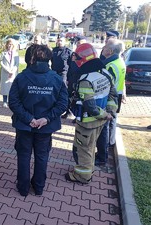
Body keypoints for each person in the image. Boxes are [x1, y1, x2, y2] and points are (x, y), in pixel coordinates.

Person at [9, 44, 68, 196]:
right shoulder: (56, 79)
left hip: (25, 125)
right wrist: (46, 119)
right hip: (44, 127)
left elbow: (13, 102)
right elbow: (62, 104)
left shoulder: (21, 77)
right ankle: (39, 187)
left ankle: (23, 188)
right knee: (42, 156)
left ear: (31, 58)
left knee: (24, 155)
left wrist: (29, 119)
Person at [65, 43, 118, 184]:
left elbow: (89, 105)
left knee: (83, 149)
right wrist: (110, 112)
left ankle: (82, 176)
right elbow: (113, 96)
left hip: (88, 122)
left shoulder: (85, 79)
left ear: (82, 58)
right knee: (90, 146)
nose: (74, 60)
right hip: (101, 121)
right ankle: (89, 169)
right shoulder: (105, 73)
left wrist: (104, 114)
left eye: (76, 57)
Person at [95, 39, 126, 165]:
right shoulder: (120, 62)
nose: (103, 48)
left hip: (108, 98)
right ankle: (103, 152)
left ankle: (102, 157)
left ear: (110, 51)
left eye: (106, 46)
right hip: (115, 97)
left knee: (103, 128)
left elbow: (105, 84)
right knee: (107, 125)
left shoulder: (110, 65)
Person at [62, 35, 87, 119]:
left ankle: (78, 115)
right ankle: (68, 111)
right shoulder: (74, 53)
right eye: (78, 43)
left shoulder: (86, 55)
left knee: (79, 98)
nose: (79, 45)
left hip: (81, 79)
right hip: (72, 78)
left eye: (80, 43)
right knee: (69, 96)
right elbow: (70, 66)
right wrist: (68, 79)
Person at [0, 38, 19, 108]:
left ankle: (11, 101)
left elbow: (17, 64)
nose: (10, 46)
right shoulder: (3, 53)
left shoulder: (16, 54)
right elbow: (1, 63)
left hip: (13, 73)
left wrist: (12, 71)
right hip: (5, 72)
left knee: (12, 88)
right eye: (9, 44)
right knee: (5, 88)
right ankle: (4, 101)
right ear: (7, 45)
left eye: (11, 44)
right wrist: (8, 70)